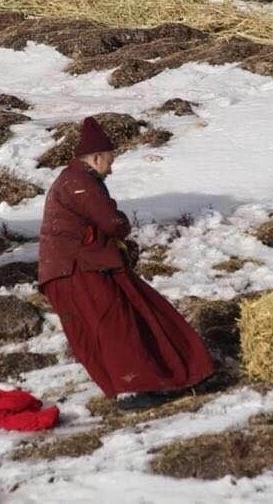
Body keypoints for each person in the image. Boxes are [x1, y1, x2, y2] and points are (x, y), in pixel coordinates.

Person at [38, 116, 214, 409]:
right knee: (115, 325)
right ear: (96, 157)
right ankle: (133, 389)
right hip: (78, 269)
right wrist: (122, 226)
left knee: (136, 315)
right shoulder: (80, 181)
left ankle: (162, 378)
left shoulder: (71, 180)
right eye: (109, 160)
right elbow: (111, 221)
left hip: (73, 269)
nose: (111, 168)